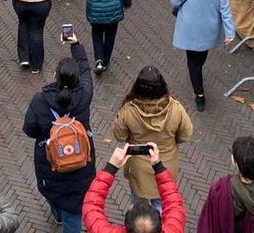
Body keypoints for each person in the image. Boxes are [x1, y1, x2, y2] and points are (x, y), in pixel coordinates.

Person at [22, 34, 95, 233]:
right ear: (78, 78)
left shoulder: (40, 100)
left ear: (55, 75)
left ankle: (57, 212)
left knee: (54, 193)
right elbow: (86, 68)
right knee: (75, 206)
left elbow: (29, 129)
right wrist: (76, 44)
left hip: (51, 162)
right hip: (81, 161)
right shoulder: (85, 94)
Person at [113, 67, 192, 211]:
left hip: (138, 168)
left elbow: (120, 135)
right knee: (161, 206)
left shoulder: (128, 110)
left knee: (138, 208)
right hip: (165, 166)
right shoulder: (176, 109)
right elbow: (186, 134)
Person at [170, 0, 236, 111]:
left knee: (192, 61)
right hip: (209, 29)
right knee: (199, 59)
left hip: (189, 27)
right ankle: (198, 89)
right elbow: (224, 8)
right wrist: (229, 32)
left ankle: (199, 94)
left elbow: (175, 1)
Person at [82, 143, 187, 233]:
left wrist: (111, 168)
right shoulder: (174, 230)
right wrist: (158, 166)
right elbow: (173, 202)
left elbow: (92, 204)